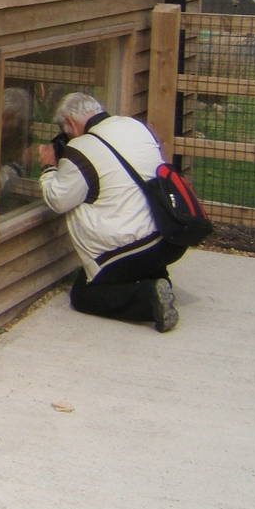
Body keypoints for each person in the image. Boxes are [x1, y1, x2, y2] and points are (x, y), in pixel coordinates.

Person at [38, 91, 182, 332]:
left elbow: (58, 200)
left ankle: (148, 299)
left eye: (67, 131)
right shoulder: (135, 126)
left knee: (83, 294)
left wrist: (49, 168)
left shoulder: (80, 149)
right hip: (169, 238)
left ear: (71, 123)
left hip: (131, 250)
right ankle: (156, 280)